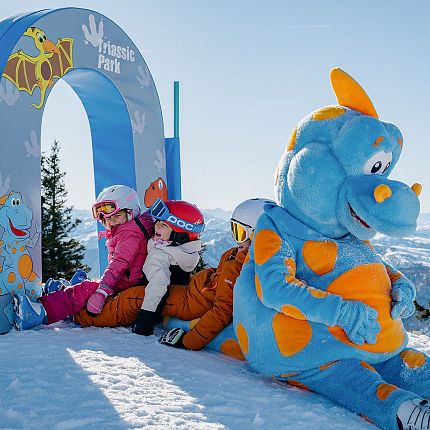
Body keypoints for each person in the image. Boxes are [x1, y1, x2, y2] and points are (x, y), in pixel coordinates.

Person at [13, 184, 154, 330]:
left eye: (117, 216)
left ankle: (39, 313)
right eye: (107, 219)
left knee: (85, 289)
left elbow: (117, 266)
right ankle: (65, 290)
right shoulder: (129, 229)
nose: (111, 222)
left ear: (132, 212)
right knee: (88, 286)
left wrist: (101, 291)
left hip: (126, 284)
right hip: (125, 280)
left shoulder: (130, 235)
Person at [159, 198, 273, 350]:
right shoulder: (233, 256)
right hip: (196, 294)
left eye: (239, 232)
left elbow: (222, 311)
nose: (236, 239)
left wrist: (188, 341)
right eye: (234, 230)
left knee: (146, 297)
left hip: (194, 303)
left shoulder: (239, 268)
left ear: (257, 237)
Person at [131, 198, 205, 336]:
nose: (157, 227)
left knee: (110, 308)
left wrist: (144, 321)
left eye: (164, 226)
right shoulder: (184, 252)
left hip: (143, 302)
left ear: (180, 234)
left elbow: (157, 287)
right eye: (157, 222)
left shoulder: (160, 255)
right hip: (172, 303)